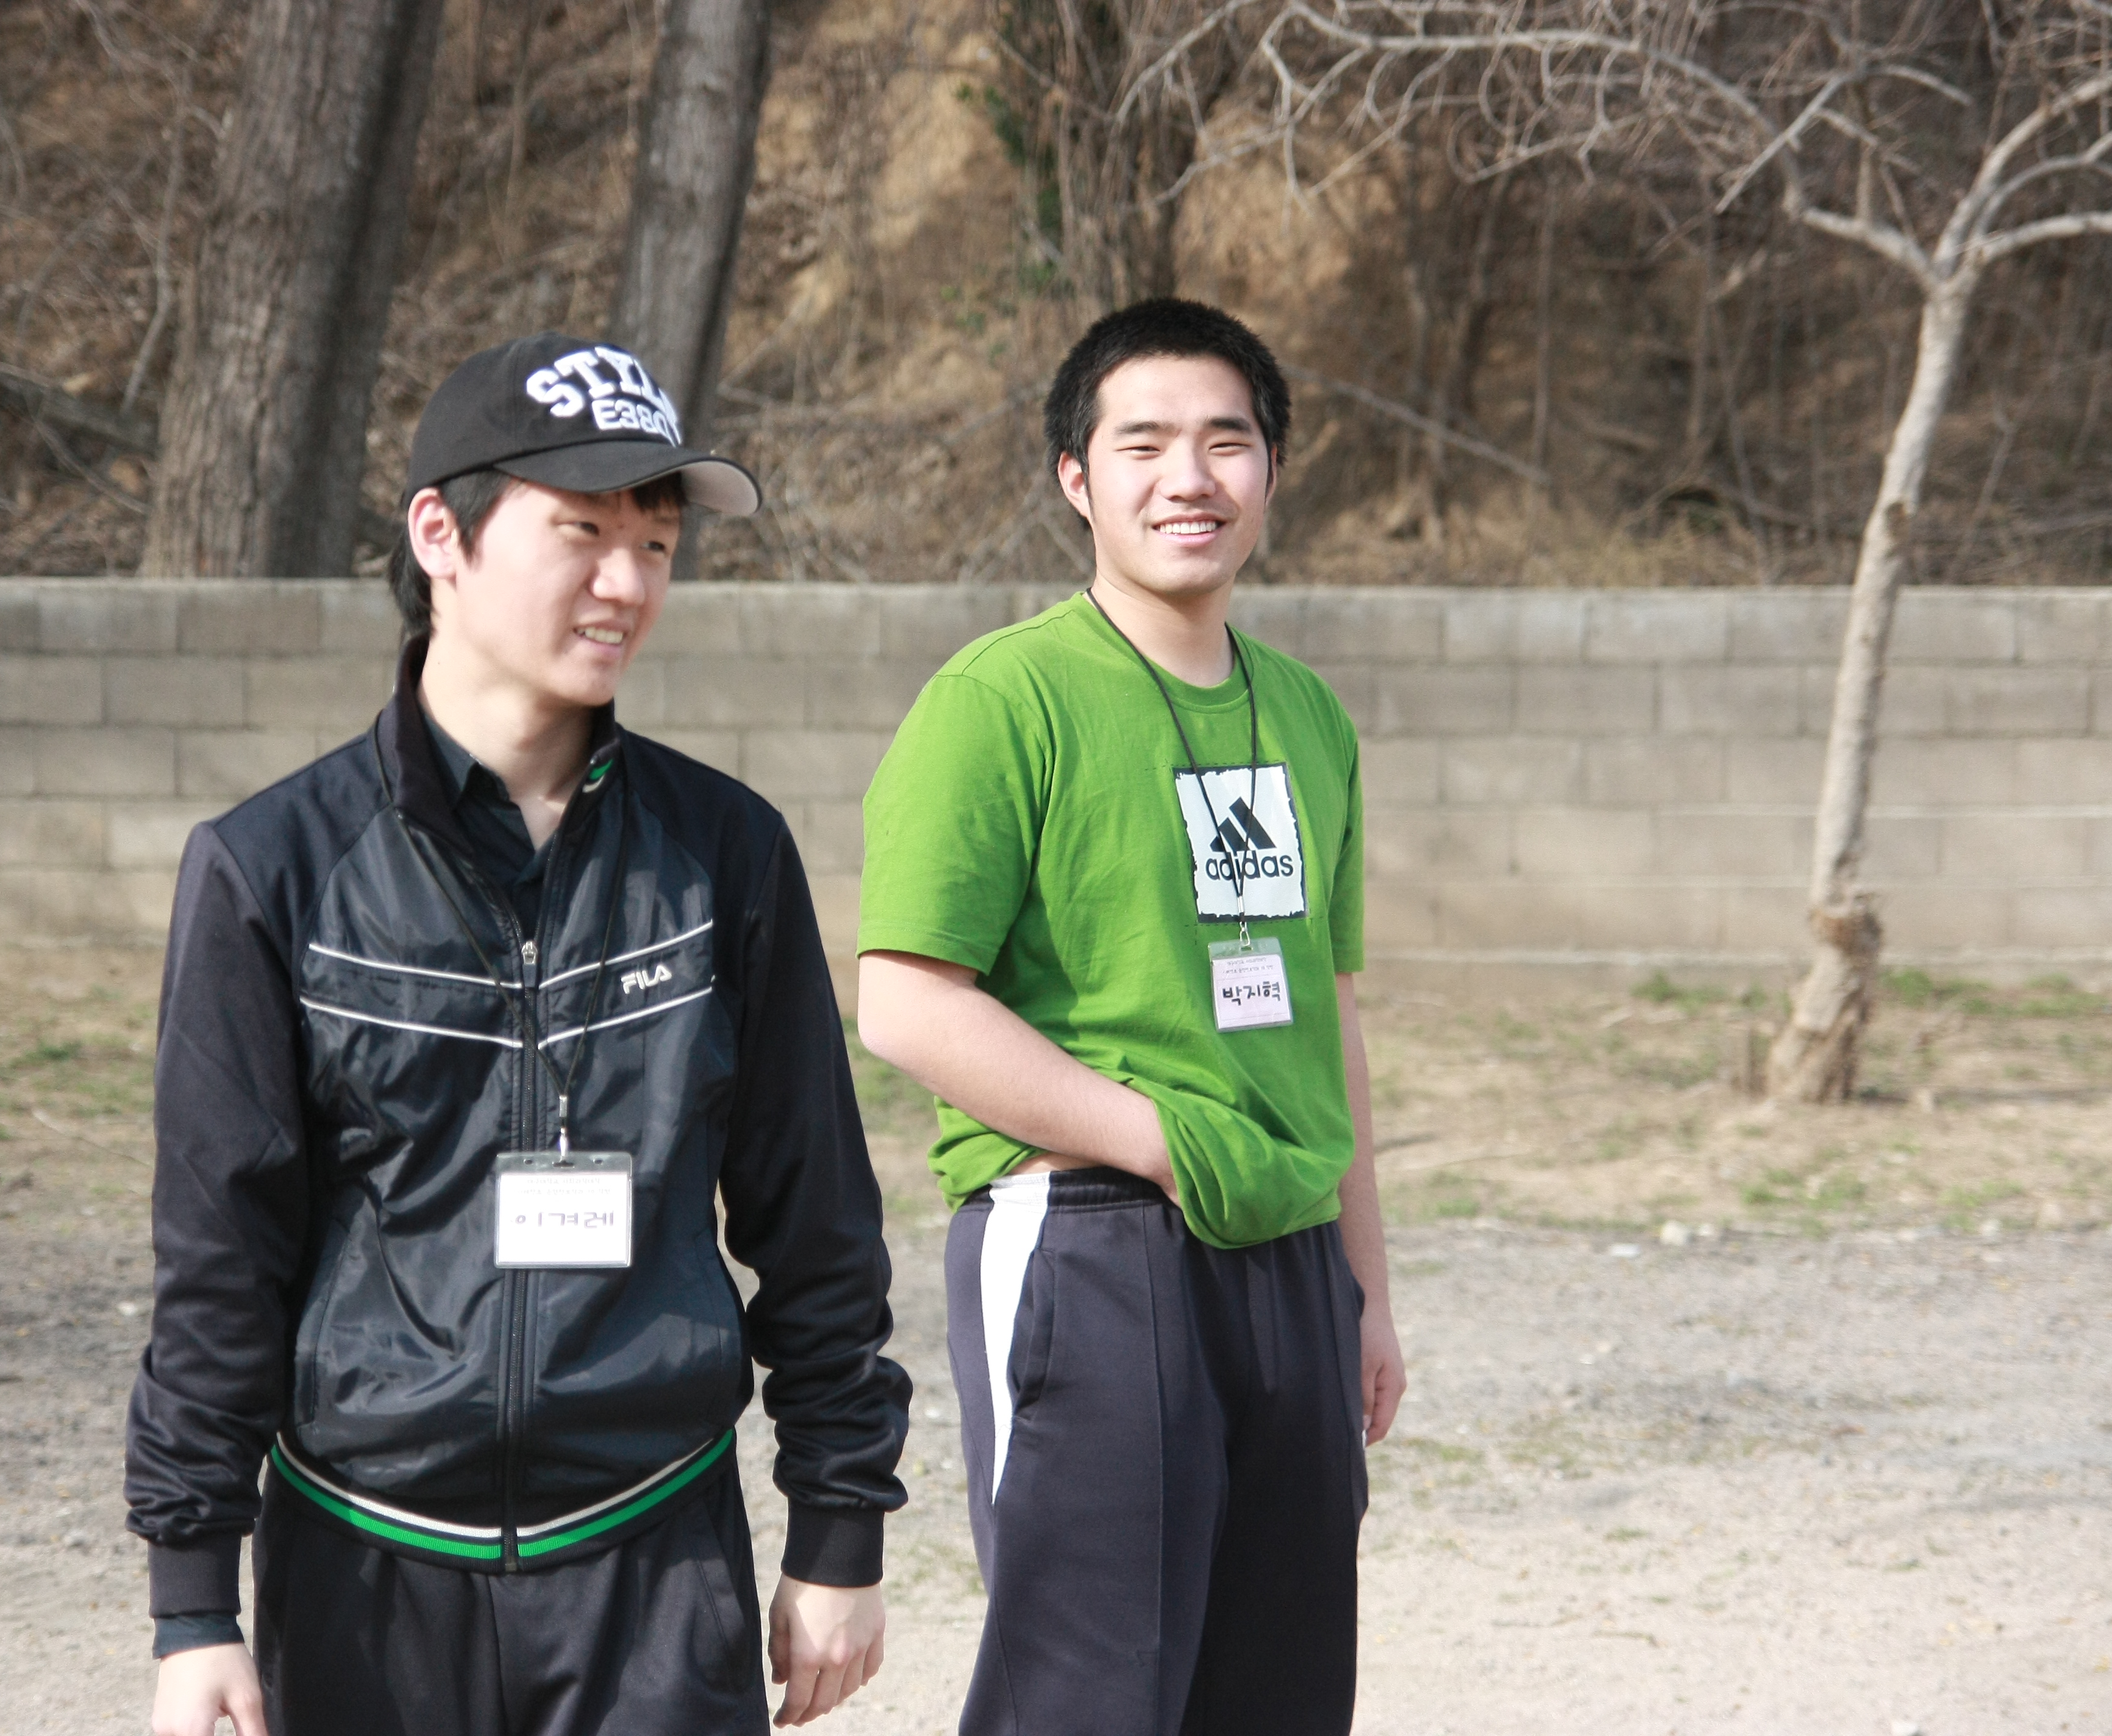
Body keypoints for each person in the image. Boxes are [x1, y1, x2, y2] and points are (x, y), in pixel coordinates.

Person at [124, 332, 910, 1736]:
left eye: (657, 543)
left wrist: (840, 1519)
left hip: (655, 1558)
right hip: (365, 1565)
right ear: (442, 533)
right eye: (583, 532)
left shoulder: (726, 853)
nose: (628, 583)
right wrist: (194, 1602)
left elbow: (815, 1213)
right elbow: (219, 1255)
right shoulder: (271, 868)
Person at [854, 298, 1406, 1735]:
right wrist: (1153, 1138)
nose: (1190, 478)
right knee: (1088, 1697)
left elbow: (1328, 1012)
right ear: (1076, 478)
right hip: (1095, 1240)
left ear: (1271, 470)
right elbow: (904, 999)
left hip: (1289, 1252)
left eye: (1228, 441)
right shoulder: (1004, 697)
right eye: (1144, 442)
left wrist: (1363, 1286)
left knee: (1279, 1693)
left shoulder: (1311, 716)